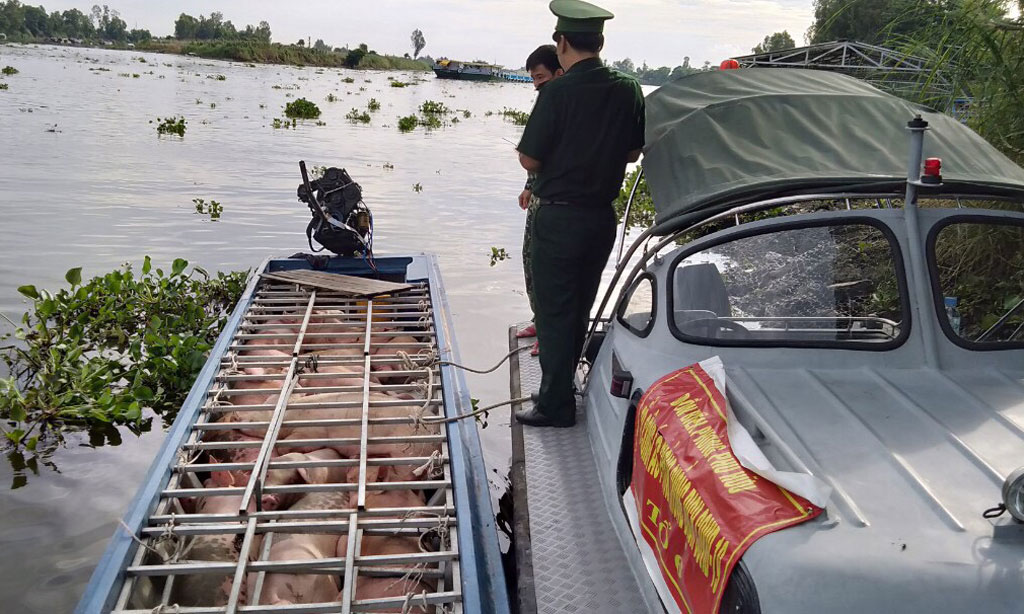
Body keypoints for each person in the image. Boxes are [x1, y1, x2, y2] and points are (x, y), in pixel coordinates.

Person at [514, 0, 645, 428]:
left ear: (563, 41)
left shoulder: (557, 91)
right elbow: (631, 152)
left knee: (554, 311)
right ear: (601, 42)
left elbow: (530, 160)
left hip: (559, 218)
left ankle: (555, 406)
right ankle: (558, 388)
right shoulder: (629, 89)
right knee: (581, 306)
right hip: (599, 219)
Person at [516, 44, 564, 356]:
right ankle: (539, 319)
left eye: (541, 77)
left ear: (559, 73)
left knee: (550, 271)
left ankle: (550, 334)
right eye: (533, 79)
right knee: (529, 259)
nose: (537, 85)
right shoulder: (548, 101)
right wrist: (529, 185)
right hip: (540, 197)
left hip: (559, 203)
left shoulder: (567, 104)